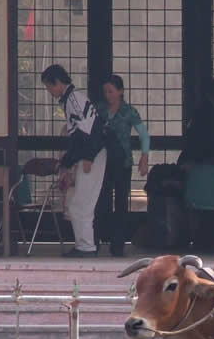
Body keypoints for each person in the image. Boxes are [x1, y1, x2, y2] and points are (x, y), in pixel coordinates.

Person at [41, 64, 111, 258]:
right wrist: (69, 160)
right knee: (79, 203)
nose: (49, 91)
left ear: (57, 82)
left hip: (92, 155)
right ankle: (84, 245)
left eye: (49, 87)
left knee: (82, 203)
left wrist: (88, 157)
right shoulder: (70, 100)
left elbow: (93, 130)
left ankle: (86, 247)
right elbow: (79, 135)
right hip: (88, 154)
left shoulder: (74, 99)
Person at [94, 74, 150, 258]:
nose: (108, 95)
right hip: (102, 162)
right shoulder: (99, 110)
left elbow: (143, 134)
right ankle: (96, 241)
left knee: (120, 204)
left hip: (122, 162)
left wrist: (144, 157)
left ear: (120, 91)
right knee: (101, 202)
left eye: (111, 91)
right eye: (105, 92)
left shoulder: (129, 112)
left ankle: (117, 245)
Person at [177, 76, 214, 249]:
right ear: (213, 93)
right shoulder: (204, 112)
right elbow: (198, 140)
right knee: (202, 205)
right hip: (202, 161)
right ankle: (203, 241)